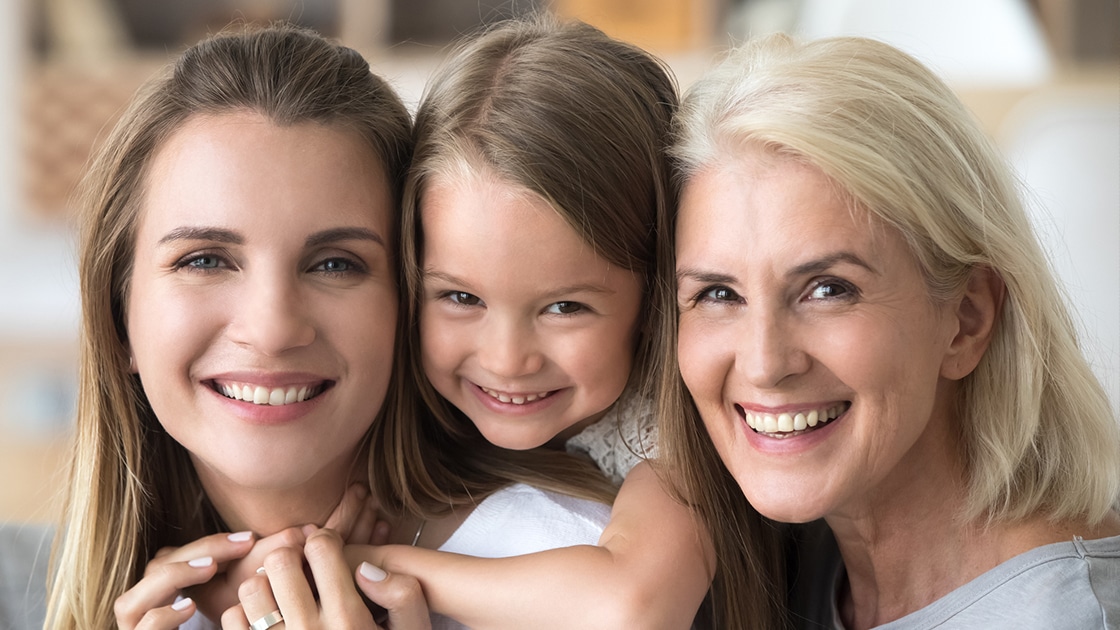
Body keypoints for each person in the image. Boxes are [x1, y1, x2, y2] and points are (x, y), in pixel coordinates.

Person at [661, 33, 1120, 629]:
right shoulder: (776, 566)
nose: (764, 362)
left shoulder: (1066, 617)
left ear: (967, 319)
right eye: (718, 294)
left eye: (829, 289)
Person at [347, 15, 787, 630]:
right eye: (461, 299)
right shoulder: (397, 420)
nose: (506, 358)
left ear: (653, 294)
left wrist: (366, 566)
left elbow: (629, 608)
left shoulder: (672, 433)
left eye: (564, 307)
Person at [44, 23, 423, 629]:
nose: (272, 329)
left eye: (335, 264)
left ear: (411, 303)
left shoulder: (565, 571)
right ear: (118, 320)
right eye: (205, 260)